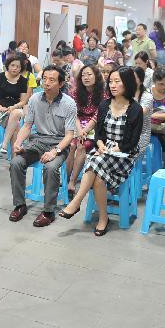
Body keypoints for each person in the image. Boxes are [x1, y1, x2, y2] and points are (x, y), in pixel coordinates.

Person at [59, 67, 144, 235]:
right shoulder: (105, 105)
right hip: (104, 152)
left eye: (117, 81)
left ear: (127, 83)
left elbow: (132, 142)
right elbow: (99, 133)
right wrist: (100, 144)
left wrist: (112, 149)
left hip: (124, 155)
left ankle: (76, 202)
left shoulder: (135, 109)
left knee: (95, 163)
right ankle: (103, 218)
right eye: (110, 81)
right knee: (98, 178)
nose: (112, 85)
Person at [8, 65, 76, 227]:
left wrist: (55, 151)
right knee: (16, 163)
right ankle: (20, 205)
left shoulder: (69, 103)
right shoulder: (34, 99)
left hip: (59, 143)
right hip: (38, 141)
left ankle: (48, 211)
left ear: (61, 84)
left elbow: (69, 135)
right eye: (44, 79)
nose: (46, 83)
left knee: (51, 168)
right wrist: (18, 142)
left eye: (52, 80)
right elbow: (27, 126)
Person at [66, 65, 104, 197]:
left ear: (96, 76)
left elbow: (97, 116)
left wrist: (85, 131)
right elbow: (74, 114)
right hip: (78, 125)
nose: (86, 78)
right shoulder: (75, 92)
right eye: (83, 75)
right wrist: (80, 130)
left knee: (81, 146)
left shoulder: (103, 93)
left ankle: (72, 181)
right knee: (71, 145)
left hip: (95, 127)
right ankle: (66, 177)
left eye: (89, 74)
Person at [0, 53, 30, 155]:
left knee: (16, 113)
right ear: (8, 65)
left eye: (18, 66)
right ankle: (14, 159)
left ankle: (4, 145)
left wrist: (13, 107)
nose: (15, 68)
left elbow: (23, 101)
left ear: (21, 68)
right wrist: (0, 107)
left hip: (15, 108)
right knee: (16, 126)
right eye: (13, 65)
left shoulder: (23, 80)